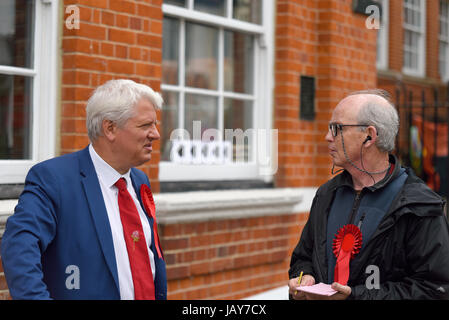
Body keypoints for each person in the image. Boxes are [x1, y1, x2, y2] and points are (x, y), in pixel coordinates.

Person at [1, 79, 167, 300]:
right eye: (146, 125)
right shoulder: (54, 179)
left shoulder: (139, 180)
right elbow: (18, 248)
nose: (155, 134)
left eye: (154, 125)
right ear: (110, 128)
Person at [288, 89, 449, 300]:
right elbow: (303, 257)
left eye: (337, 128)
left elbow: (435, 290)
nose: (328, 137)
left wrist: (355, 297)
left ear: (369, 136)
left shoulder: (419, 204)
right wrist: (303, 277)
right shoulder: (327, 193)